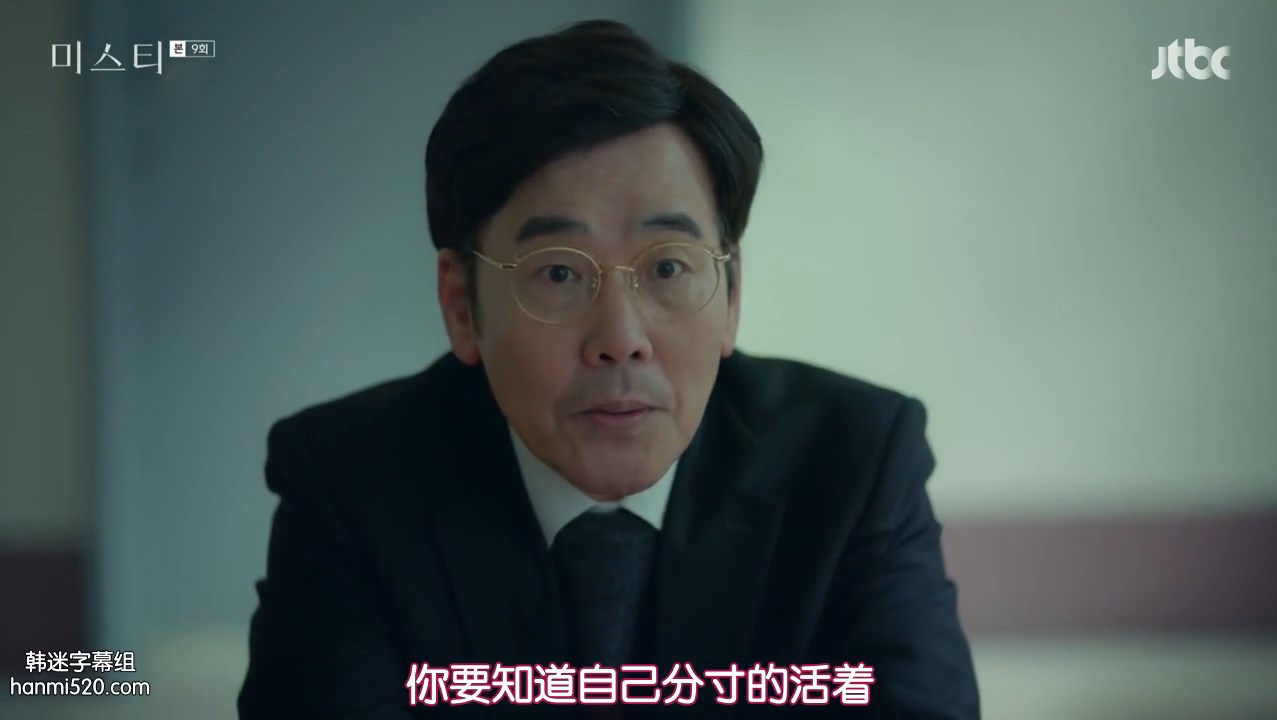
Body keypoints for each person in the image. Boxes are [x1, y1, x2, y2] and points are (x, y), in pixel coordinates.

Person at [238, 19, 979, 719]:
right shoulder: (348, 483)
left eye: (668, 267)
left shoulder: (854, 462)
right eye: (559, 273)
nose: (621, 339)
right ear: (462, 304)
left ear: (730, 296)